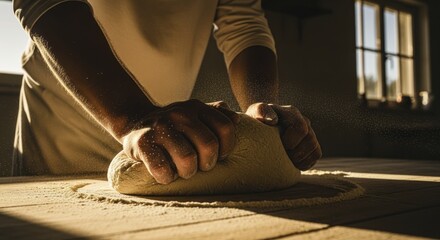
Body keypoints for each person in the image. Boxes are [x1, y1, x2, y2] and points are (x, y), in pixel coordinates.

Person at [12, 0, 322, 184]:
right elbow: (46, 4)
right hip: (63, 142)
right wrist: (131, 116)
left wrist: (261, 110)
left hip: (168, 145)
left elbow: (244, 23)